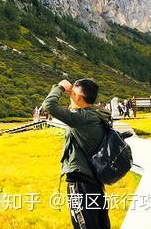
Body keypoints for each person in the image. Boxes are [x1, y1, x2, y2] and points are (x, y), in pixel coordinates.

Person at [43, 78, 111, 229]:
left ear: (79, 97)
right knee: (100, 224)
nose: (70, 95)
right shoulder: (97, 114)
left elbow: (48, 105)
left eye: (73, 93)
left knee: (84, 225)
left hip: (80, 183)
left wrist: (60, 87)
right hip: (95, 182)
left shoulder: (82, 118)